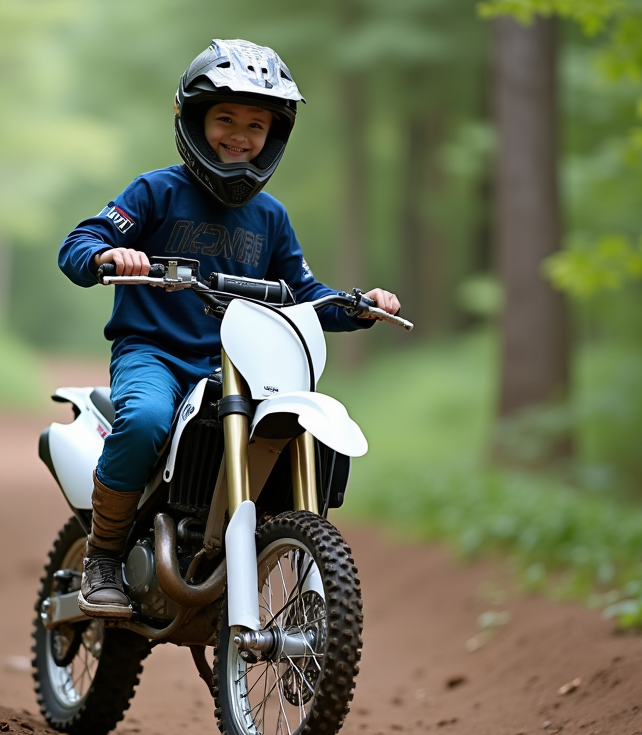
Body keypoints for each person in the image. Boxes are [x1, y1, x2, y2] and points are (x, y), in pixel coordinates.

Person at [58, 38, 401, 619]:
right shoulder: (155, 191)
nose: (240, 135)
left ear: (275, 136)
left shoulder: (270, 217)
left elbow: (306, 297)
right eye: (225, 118)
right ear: (194, 119)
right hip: (156, 353)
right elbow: (80, 243)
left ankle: (278, 570)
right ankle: (103, 558)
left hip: (242, 366)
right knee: (141, 421)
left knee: (301, 437)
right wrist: (110, 258)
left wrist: (358, 305)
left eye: (256, 124)